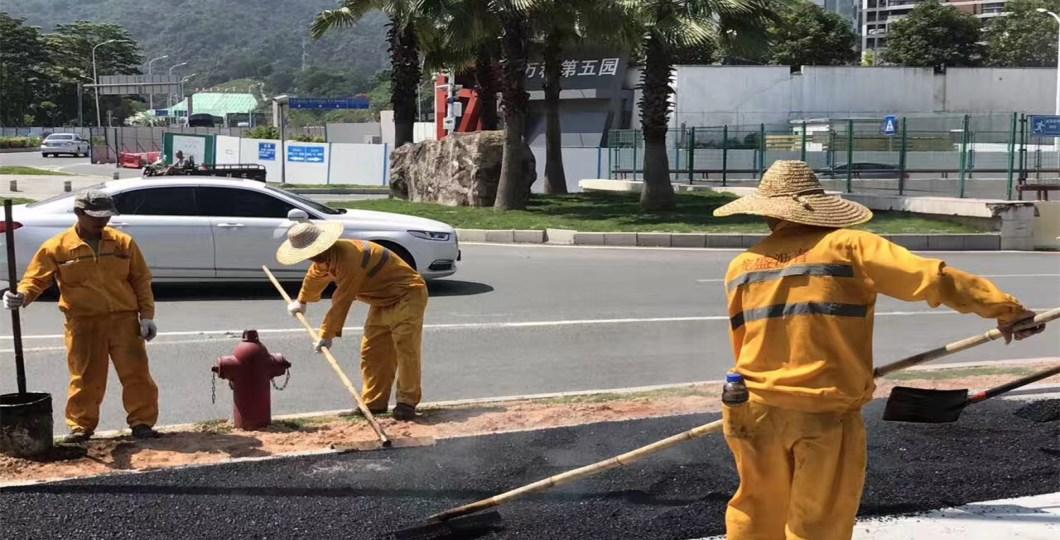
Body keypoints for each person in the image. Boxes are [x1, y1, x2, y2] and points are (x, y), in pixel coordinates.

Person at [712, 160, 1044, 540]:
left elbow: (744, 341)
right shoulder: (848, 247)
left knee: (757, 510)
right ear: (819, 209)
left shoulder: (742, 265)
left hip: (750, 407)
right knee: (818, 522)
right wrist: (1006, 310)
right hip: (821, 409)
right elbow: (933, 280)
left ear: (768, 213)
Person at [3, 191, 160, 443]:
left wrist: (147, 316)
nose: (102, 221)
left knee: (137, 374)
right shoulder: (58, 247)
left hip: (124, 321)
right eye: (95, 216)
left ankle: (142, 423)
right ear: (78, 213)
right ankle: (81, 426)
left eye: (106, 216)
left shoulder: (123, 243)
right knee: (85, 377)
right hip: (83, 323)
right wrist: (21, 295)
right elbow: (35, 278)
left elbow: (141, 280)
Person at [276, 221, 428, 422]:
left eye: (312, 252)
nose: (311, 257)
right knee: (372, 351)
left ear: (324, 244)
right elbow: (315, 277)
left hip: (407, 294)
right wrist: (302, 301)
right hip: (381, 299)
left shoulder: (349, 257)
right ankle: (374, 403)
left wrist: (326, 335)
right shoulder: (324, 259)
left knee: (405, 347)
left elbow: (343, 299)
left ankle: (406, 403)